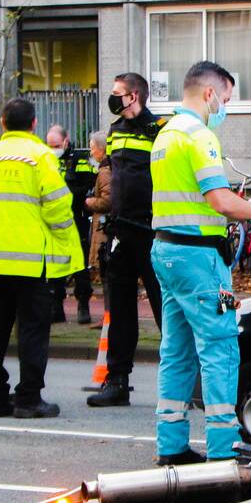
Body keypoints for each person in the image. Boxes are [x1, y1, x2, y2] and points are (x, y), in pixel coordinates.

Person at [149, 61, 251, 465]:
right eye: (225, 98)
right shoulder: (199, 135)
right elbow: (220, 200)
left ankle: (170, 446)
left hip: (167, 255)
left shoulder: (165, 135)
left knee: (178, 351)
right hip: (201, 260)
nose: (224, 106)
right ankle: (224, 449)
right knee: (221, 347)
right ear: (208, 94)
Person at [0, 98, 84, 419]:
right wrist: (59, 239)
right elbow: (58, 205)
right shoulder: (40, 156)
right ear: (33, 124)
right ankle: (28, 398)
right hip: (30, 260)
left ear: (2, 123)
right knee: (32, 330)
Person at [87, 73, 166, 407]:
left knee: (167, 310)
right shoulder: (115, 131)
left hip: (152, 230)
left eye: (118, 93)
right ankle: (116, 381)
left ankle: (186, 383)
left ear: (134, 96)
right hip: (120, 231)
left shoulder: (161, 129)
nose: (113, 97)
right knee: (119, 312)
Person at [46, 124, 96, 324]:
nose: (53, 149)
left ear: (66, 141)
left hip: (76, 217)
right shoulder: (45, 159)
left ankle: (83, 305)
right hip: (53, 219)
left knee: (80, 263)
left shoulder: (80, 159)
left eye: (56, 145)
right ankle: (56, 306)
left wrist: (68, 193)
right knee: (54, 263)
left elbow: (88, 183)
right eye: (49, 145)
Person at [85, 131, 111, 289]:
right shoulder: (107, 169)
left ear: (101, 149)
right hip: (103, 224)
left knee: (105, 272)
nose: (91, 152)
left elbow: (108, 200)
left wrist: (90, 202)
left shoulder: (105, 172)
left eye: (92, 148)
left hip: (103, 225)